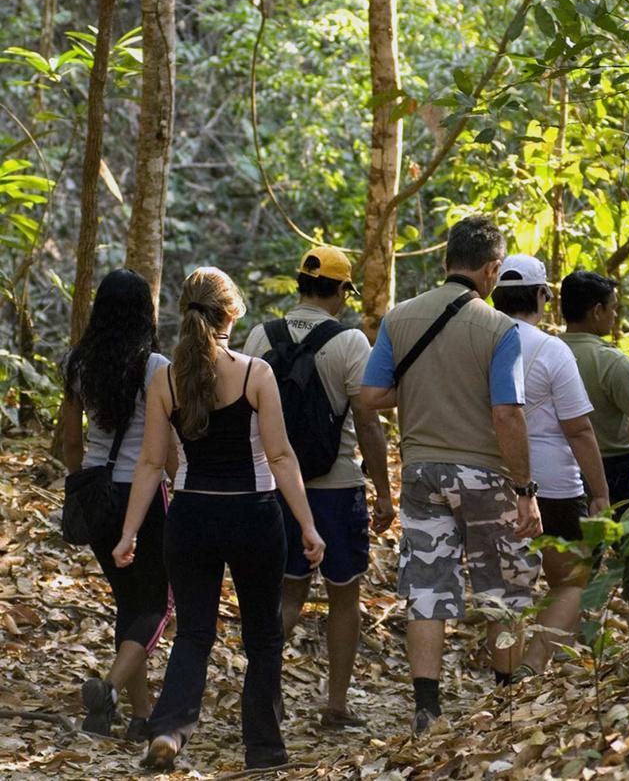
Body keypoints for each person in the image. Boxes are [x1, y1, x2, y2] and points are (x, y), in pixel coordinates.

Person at [114, 267, 326, 771]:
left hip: (190, 515)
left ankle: (168, 730)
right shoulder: (255, 373)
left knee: (193, 634)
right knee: (263, 636)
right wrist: (309, 525)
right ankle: (264, 750)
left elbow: (150, 462)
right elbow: (280, 457)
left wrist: (129, 533)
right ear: (231, 314)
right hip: (252, 515)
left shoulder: (166, 379)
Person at [360, 216, 541, 734]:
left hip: (420, 472)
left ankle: (426, 707)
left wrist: (420, 395)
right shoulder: (499, 328)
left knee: (427, 589)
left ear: (445, 263)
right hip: (483, 475)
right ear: (492, 269)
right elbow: (508, 414)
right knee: (502, 589)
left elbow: (372, 397)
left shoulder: (400, 318)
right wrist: (526, 491)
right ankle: (506, 703)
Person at [242, 245, 393, 729]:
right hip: (336, 486)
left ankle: (263, 695)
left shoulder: (259, 337)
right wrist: (386, 493)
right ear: (342, 292)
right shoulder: (351, 343)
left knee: (287, 596)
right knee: (343, 596)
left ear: (301, 285)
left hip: (275, 485)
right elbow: (368, 424)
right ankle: (336, 705)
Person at [60, 268, 172, 741]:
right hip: (142, 492)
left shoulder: (77, 363)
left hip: (95, 491)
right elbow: (164, 446)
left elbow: (67, 438)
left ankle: (139, 720)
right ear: (144, 312)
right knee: (160, 605)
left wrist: (80, 479)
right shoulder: (154, 367)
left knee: (130, 602)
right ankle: (107, 688)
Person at [491, 255, 609, 678]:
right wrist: (600, 492)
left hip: (495, 476)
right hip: (553, 484)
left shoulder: (479, 340)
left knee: (506, 587)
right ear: (542, 297)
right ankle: (532, 664)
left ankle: (506, 683)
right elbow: (578, 429)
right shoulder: (551, 349)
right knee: (572, 582)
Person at [559, 270, 629, 625]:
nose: (616, 316)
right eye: (613, 309)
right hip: (621, 471)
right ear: (597, 311)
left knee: (577, 568)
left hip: (564, 473)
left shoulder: (545, 353)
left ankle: (566, 644)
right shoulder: (611, 361)